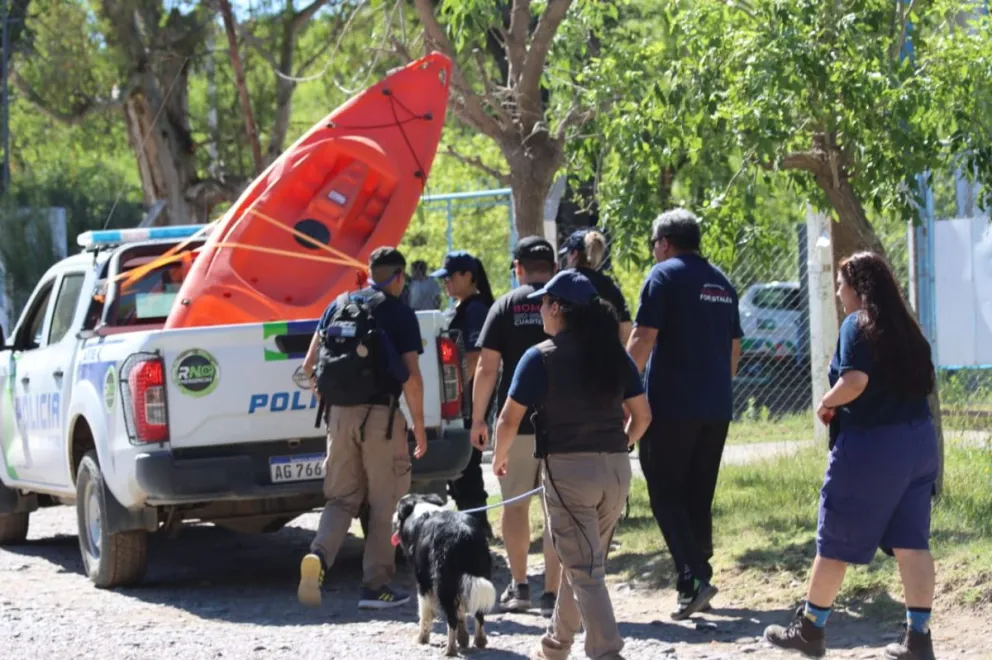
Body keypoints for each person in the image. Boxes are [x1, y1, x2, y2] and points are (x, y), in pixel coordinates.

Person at [764, 252, 939, 660]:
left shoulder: (856, 324)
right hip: (919, 444)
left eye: (842, 285)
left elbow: (855, 380)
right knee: (913, 543)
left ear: (859, 289)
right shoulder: (907, 329)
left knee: (835, 538)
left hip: (873, 448)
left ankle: (810, 630)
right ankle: (919, 639)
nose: (839, 293)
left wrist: (827, 402)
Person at [491, 269, 652, 660]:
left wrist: (499, 457)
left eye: (544, 303)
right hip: (616, 470)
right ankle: (556, 646)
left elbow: (509, 419)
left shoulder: (539, 358)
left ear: (559, 308)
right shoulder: (615, 356)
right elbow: (643, 417)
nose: (541, 309)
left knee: (585, 569)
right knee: (582, 561)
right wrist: (621, 444)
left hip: (569, 473)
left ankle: (607, 652)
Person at [625, 209, 743, 619]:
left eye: (653, 243)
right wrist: (713, 388)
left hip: (673, 406)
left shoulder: (663, 276)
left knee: (664, 490)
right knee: (697, 492)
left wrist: (620, 390)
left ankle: (692, 575)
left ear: (664, 242)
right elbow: (734, 352)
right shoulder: (721, 282)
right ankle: (697, 575)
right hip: (716, 407)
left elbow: (642, 337)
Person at [298, 246, 428, 611]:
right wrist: (418, 425)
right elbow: (412, 380)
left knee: (341, 498)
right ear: (399, 277)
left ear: (370, 272)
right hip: (381, 419)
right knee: (385, 502)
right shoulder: (400, 313)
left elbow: (310, 366)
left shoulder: (338, 305)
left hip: (338, 416)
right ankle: (376, 586)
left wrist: (333, 403)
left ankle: (319, 558)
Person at [472, 236, 562, 616]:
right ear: (553, 268)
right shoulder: (567, 302)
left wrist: (478, 418)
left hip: (517, 422)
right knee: (557, 507)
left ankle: (521, 586)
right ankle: (552, 595)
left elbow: (487, 366)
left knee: (515, 506)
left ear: (518, 268)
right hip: (564, 422)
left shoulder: (505, 305)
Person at [431, 250, 496, 538]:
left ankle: (478, 527)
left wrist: (452, 391)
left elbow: (476, 357)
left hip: (469, 399)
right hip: (461, 400)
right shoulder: (462, 308)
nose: (445, 283)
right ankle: (472, 525)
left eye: (450, 276)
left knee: (468, 465)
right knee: (462, 467)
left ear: (468, 276)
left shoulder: (476, 310)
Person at [559, 229, 633, 344]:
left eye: (568, 253)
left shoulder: (563, 282)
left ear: (575, 254)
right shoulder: (608, 285)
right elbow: (626, 330)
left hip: (569, 353)